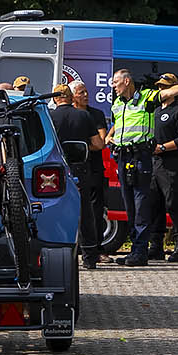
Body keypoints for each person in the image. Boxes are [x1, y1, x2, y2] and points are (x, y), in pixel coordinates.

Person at [107, 68, 178, 266]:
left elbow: (167, 95)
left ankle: (141, 251)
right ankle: (140, 248)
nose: (112, 86)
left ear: (126, 81)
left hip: (143, 156)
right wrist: (111, 140)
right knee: (131, 206)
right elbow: (117, 126)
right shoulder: (117, 103)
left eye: (115, 82)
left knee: (144, 205)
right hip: (124, 158)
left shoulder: (147, 99)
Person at [49, 79, 107, 270]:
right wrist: (82, 146)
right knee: (85, 213)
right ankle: (90, 257)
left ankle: (52, 254)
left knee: (53, 211)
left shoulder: (49, 117)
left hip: (54, 170)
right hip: (80, 169)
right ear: (70, 97)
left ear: (56, 99)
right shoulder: (83, 116)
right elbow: (99, 144)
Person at [147, 73, 178, 262]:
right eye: (159, 86)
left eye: (165, 86)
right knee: (154, 204)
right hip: (154, 163)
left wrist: (164, 147)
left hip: (170, 163)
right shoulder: (155, 110)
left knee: (173, 203)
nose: (161, 90)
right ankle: (156, 246)